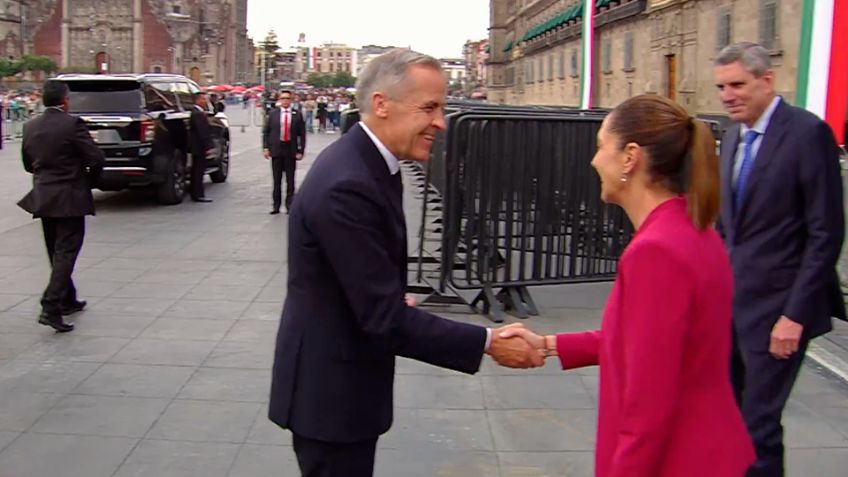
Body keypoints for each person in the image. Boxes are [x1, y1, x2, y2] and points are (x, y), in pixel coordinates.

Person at [268, 49, 543, 477]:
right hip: (330, 398)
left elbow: (361, 287)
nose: (441, 122)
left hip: (343, 383)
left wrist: (388, 298)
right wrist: (488, 342)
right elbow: (381, 318)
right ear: (382, 104)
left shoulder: (371, 164)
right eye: (430, 108)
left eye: (443, 108)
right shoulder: (349, 184)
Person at [501, 94, 756, 477]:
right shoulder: (691, 229)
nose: (593, 160)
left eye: (601, 147)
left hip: (678, 458)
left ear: (629, 157)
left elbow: (648, 403)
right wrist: (552, 345)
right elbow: (647, 343)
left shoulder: (656, 252)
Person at [713, 42, 845, 477]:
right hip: (732, 308)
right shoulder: (731, 136)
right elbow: (728, 226)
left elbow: (825, 233)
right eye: (721, 87)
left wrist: (794, 316)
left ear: (766, 80)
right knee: (729, 417)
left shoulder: (807, 133)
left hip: (778, 313)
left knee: (758, 425)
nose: (728, 95)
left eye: (737, 85)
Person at [17, 79, 105, 333]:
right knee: (67, 251)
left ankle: (68, 298)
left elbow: (27, 162)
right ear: (65, 101)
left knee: (54, 250)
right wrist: (89, 180)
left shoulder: (30, 126)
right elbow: (95, 158)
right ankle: (50, 305)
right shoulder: (72, 124)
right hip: (70, 196)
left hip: (44, 195)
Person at [262, 90, 306, 214]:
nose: (285, 101)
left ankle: (290, 205)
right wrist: (266, 148)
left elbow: (301, 135)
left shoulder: (297, 115)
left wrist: (301, 150)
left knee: (290, 180)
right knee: (276, 179)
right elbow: (266, 132)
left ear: (291, 100)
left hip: (290, 149)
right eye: (283, 98)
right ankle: (276, 205)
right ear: (280, 100)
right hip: (277, 149)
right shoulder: (273, 114)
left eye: (287, 98)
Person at [189, 92, 214, 203]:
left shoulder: (196, 112)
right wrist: (208, 146)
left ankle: (196, 193)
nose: (205, 101)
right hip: (199, 146)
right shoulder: (197, 114)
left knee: (196, 170)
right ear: (197, 100)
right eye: (203, 99)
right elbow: (202, 132)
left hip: (196, 146)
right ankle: (198, 194)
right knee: (199, 170)